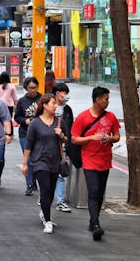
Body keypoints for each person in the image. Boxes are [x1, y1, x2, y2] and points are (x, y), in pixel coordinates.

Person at [71, 86, 121, 241]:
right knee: (93, 190)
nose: (108, 102)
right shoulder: (83, 117)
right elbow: (74, 139)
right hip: (89, 159)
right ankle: (95, 224)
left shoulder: (111, 117)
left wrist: (110, 138)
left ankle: (94, 220)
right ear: (98, 100)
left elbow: (117, 136)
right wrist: (91, 138)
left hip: (105, 159)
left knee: (100, 192)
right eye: (106, 99)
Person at [23, 94, 68, 234]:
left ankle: (44, 210)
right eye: (53, 103)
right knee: (45, 188)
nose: (55, 106)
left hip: (54, 161)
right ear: (44, 105)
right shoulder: (35, 123)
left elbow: (67, 139)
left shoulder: (59, 122)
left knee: (50, 192)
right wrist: (25, 164)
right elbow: (28, 145)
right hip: (39, 162)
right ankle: (48, 221)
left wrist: (61, 135)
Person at [15, 76, 42, 195]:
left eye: (35, 87)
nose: (33, 90)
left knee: (38, 158)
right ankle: (29, 183)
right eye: (30, 88)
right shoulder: (22, 101)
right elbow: (17, 116)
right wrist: (24, 121)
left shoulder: (43, 99)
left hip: (40, 134)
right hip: (25, 133)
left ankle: (35, 179)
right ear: (26, 88)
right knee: (29, 158)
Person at [53, 82, 74, 213]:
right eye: (63, 92)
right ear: (56, 93)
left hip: (62, 144)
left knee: (60, 173)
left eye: (66, 93)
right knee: (48, 173)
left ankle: (60, 201)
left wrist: (67, 140)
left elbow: (70, 128)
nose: (65, 95)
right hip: (47, 145)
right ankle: (46, 196)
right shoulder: (49, 105)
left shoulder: (67, 110)